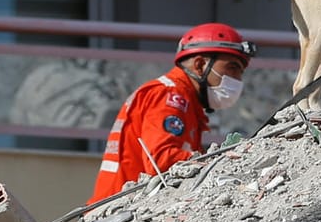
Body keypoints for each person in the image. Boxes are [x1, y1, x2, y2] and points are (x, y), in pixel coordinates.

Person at [88, 22, 256, 203]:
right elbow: (160, 161)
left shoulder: (183, 100)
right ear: (200, 65)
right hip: (118, 212)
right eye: (232, 68)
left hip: (119, 209)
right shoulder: (170, 96)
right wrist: (216, 162)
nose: (238, 79)